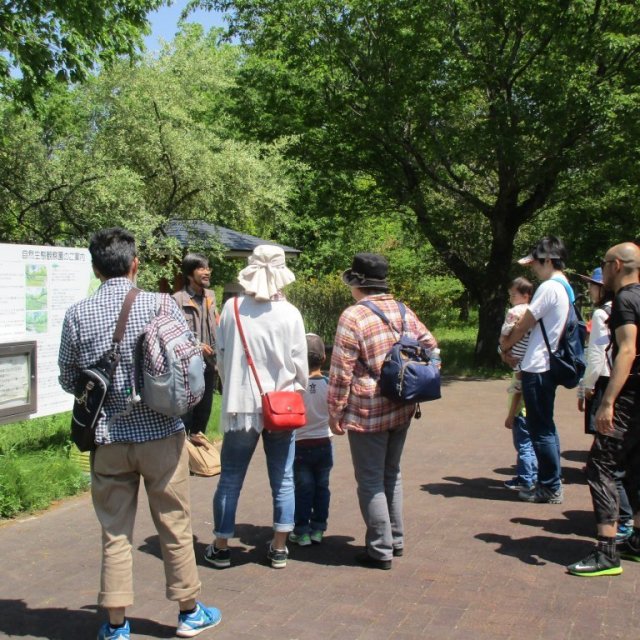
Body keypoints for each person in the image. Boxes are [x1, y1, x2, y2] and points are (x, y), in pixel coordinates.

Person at [58, 228, 221, 640]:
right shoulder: (160, 304)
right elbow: (187, 364)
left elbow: (67, 379)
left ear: (96, 268)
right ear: (135, 264)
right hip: (162, 433)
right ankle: (189, 612)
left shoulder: (78, 314)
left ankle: (116, 625)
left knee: (114, 531)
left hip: (108, 439)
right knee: (174, 523)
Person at [328, 253, 438, 570]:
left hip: (368, 410)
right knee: (392, 473)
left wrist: (335, 411)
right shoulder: (402, 310)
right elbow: (431, 345)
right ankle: (396, 539)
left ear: (358, 284)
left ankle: (379, 549)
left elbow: (340, 371)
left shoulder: (353, 316)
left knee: (371, 480)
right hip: (403, 403)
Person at [204, 245, 308, 570]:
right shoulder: (291, 314)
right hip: (282, 407)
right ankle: (279, 548)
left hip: (240, 406)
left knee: (230, 478)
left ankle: (221, 546)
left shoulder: (232, 308)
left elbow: (220, 357)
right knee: (284, 478)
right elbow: (300, 366)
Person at [567, 242, 640, 577]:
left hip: (628, 395)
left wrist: (608, 402)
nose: (602, 269)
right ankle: (636, 540)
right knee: (634, 465)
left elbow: (626, 351)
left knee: (600, 467)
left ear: (617, 265)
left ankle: (606, 551)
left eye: (603, 262)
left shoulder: (625, 299)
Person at [500, 235, 572, 504]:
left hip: (538, 366)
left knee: (539, 430)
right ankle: (550, 482)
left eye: (536, 263)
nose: (532, 268)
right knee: (545, 428)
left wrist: (506, 348)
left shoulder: (550, 287)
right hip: (547, 364)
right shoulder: (565, 286)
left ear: (549, 260)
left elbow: (524, 324)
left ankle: (549, 487)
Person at [576, 267, 633, 543]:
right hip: (630, 389)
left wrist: (587, 389)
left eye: (592, 285)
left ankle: (614, 533)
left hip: (609, 385)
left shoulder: (604, 312)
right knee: (629, 458)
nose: (590, 289)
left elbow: (597, 355)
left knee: (603, 462)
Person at [289, 333, 333, 547]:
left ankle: (301, 530)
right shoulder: (329, 385)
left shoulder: (296, 387)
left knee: (303, 488)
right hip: (324, 443)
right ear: (324, 358)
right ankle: (318, 528)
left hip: (300, 444)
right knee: (322, 487)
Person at [500, 277, 538, 492]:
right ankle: (532, 475)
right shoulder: (533, 312)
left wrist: (503, 348)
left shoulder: (515, 312)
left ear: (525, 295)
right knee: (531, 443)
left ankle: (526, 478)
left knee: (523, 444)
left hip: (520, 411)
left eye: (513, 294)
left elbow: (506, 333)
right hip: (526, 358)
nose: (511, 298)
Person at [173, 253, 218, 435]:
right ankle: (182, 460)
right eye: (201, 268)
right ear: (190, 274)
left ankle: (199, 461)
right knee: (184, 420)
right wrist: (196, 347)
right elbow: (172, 336)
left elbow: (216, 327)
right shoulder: (177, 300)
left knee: (202, 419)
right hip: (186, 370)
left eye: (208, 268)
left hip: (209, 368)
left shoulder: (211, 297)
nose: (206, 272)